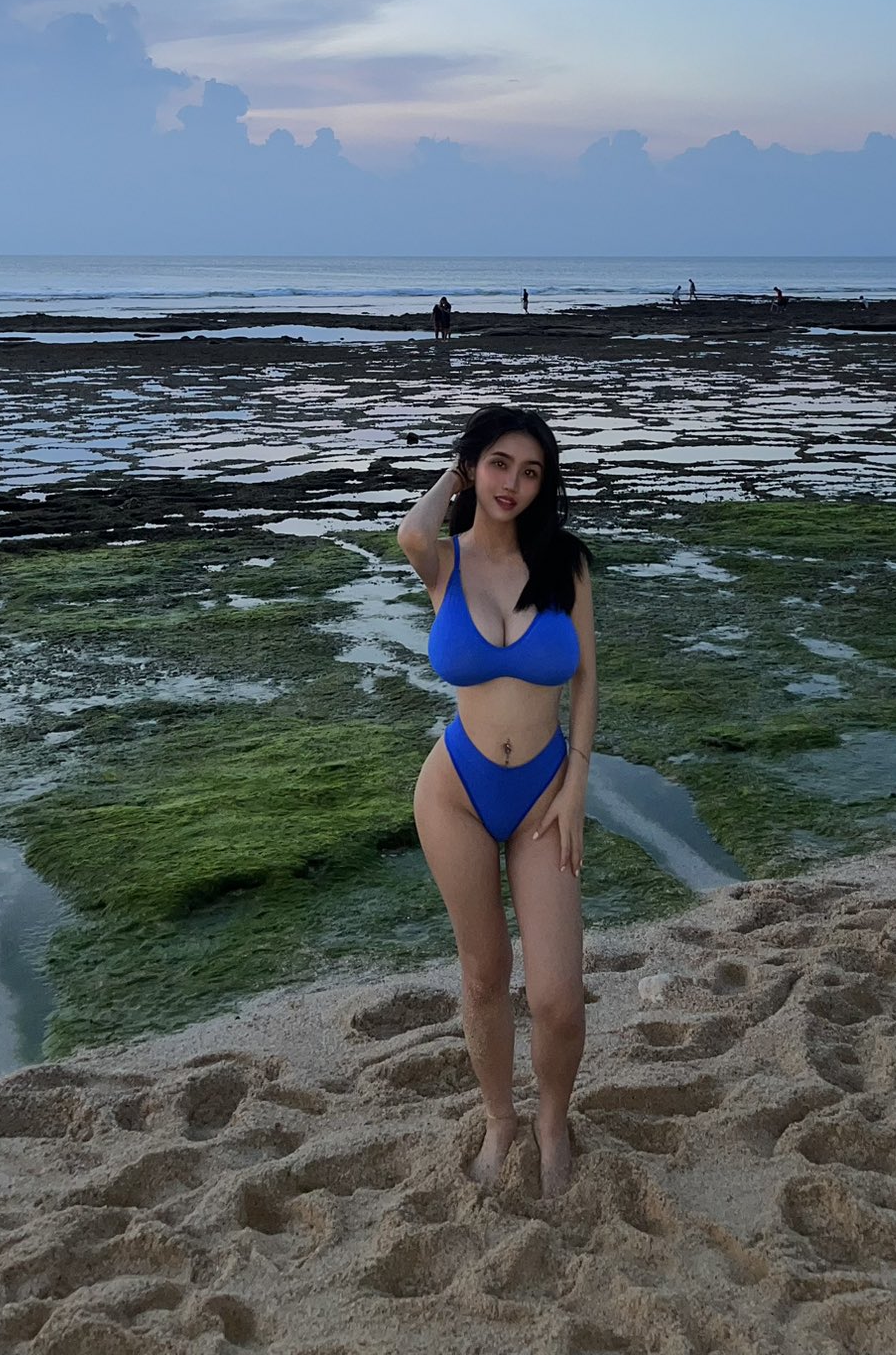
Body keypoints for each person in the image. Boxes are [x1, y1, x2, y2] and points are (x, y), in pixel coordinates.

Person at [397, 405, 597, 1198]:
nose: (514, 483)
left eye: (532, 472)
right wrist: (454, 474)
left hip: (546, 794)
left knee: (557, 997)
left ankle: (552, 1120)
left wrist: (577, 784)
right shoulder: (442, 561)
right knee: (485, 976)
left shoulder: (564, 563)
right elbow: (411, 532)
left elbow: (587, 681)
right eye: (499, 464)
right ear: (472, 468)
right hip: (456, 793)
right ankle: (499, 1119)